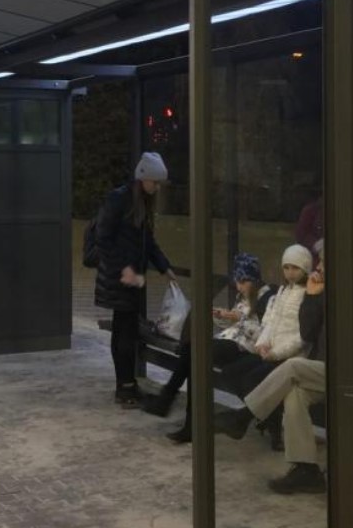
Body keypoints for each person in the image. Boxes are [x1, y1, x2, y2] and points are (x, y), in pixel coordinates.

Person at [215, 243, 353, 494]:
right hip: (329, 372)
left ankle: (243, 416)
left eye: (323, 262)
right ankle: (306, 470)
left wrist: (352, 352)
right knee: (295, 394)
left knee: (294, 366)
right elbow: (308, 333)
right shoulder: (330, 290)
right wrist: (313, 295)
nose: (318, 267)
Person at [143, 251, 275, 443]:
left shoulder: (268, 298)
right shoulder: (245, 294)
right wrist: (221, 316)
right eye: (237, 282)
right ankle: (184, 417)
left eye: (243, 281)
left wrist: (239, 318)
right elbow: (234, 325)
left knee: (195, 352)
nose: (239, 286)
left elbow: (264, 333)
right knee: (192, 352)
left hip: (245, 348)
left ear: (254, 279)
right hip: (231, 341)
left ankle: (172, 404)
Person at [95, 151, 176, 408]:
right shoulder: (120, 199)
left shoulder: (140, 203)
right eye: (155, 182)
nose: (157, 187)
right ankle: (126, 387)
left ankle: (126, 385)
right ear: (143, 178)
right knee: (125, 331)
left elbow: (147, 241)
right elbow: (103, 238)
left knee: (124, 329)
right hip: (120, 278)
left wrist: (164, 266)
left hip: (129, 278)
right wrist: (124, 269)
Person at [217, 243, 313, 449]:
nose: (290, 272)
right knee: (230, 373)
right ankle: (266, 419)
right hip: (270, 352)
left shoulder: (308, 296)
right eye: (286, 267)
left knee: (253, 379)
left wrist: (275, 353)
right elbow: (269, 323)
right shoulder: (282, 292)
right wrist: (263, 344)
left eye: (295, 268)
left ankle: (269, 428)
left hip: (291, 357)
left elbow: (303, 336)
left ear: (305, 269)